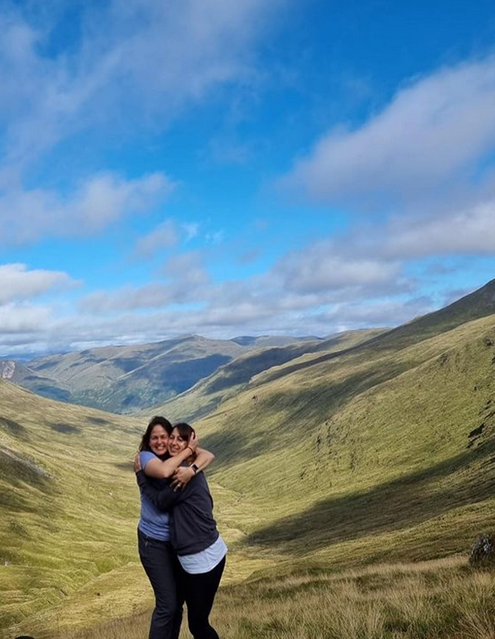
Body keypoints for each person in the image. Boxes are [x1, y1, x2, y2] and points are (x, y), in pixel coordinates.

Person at [135, 422, 227, 639]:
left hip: (201, 557)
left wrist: (141, 477)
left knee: (195, 622)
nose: (169, 442)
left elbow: (160, 500)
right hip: (173, 548)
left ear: (189, 444)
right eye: (170, 438)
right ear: (147, 440)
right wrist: (191, 457)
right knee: (172, 607)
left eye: (175, 438)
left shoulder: (182, 473)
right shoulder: (156, 460)